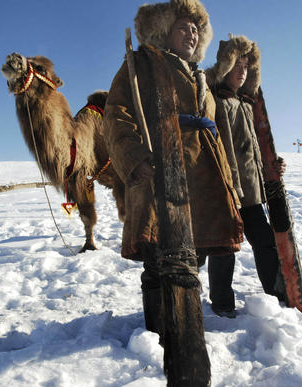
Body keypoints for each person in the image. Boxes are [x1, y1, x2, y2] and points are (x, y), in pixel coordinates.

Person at [103, 0, 243, 334]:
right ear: (166, 29)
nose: (192, 34)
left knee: (194, 253)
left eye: (196, 29)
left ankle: (186, 319)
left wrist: (228, 178)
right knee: (159, 255)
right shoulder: (142, 64)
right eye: (183, 27)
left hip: (202, 176)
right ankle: (161, 331)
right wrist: (134, 157)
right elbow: (117, 112)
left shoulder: (201, 77)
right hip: (159, 169)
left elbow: (213, 129)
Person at [205, 34, 286, 318]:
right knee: (225, 247)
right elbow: (223, 149)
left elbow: (252, 150)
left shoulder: (246, 104)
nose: (242, 72)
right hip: (227, 190)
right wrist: (231, 188)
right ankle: (222, 304)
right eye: (237, 65)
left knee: (264, 241)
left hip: (251, 192)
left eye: (246, 67)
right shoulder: (215, 101)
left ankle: (276, 293)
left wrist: (271, 169)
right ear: (225, 67)